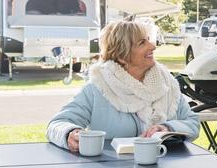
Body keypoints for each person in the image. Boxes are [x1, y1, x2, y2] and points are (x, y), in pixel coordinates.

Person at [47, 20, 200, 152]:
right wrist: (70, 134)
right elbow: (57, 124)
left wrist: (168, 128)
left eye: (148, 39)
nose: (152, 46)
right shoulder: (98, 87)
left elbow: (192, 123)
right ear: (122, 56)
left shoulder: (167, 84)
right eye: (142, 43)